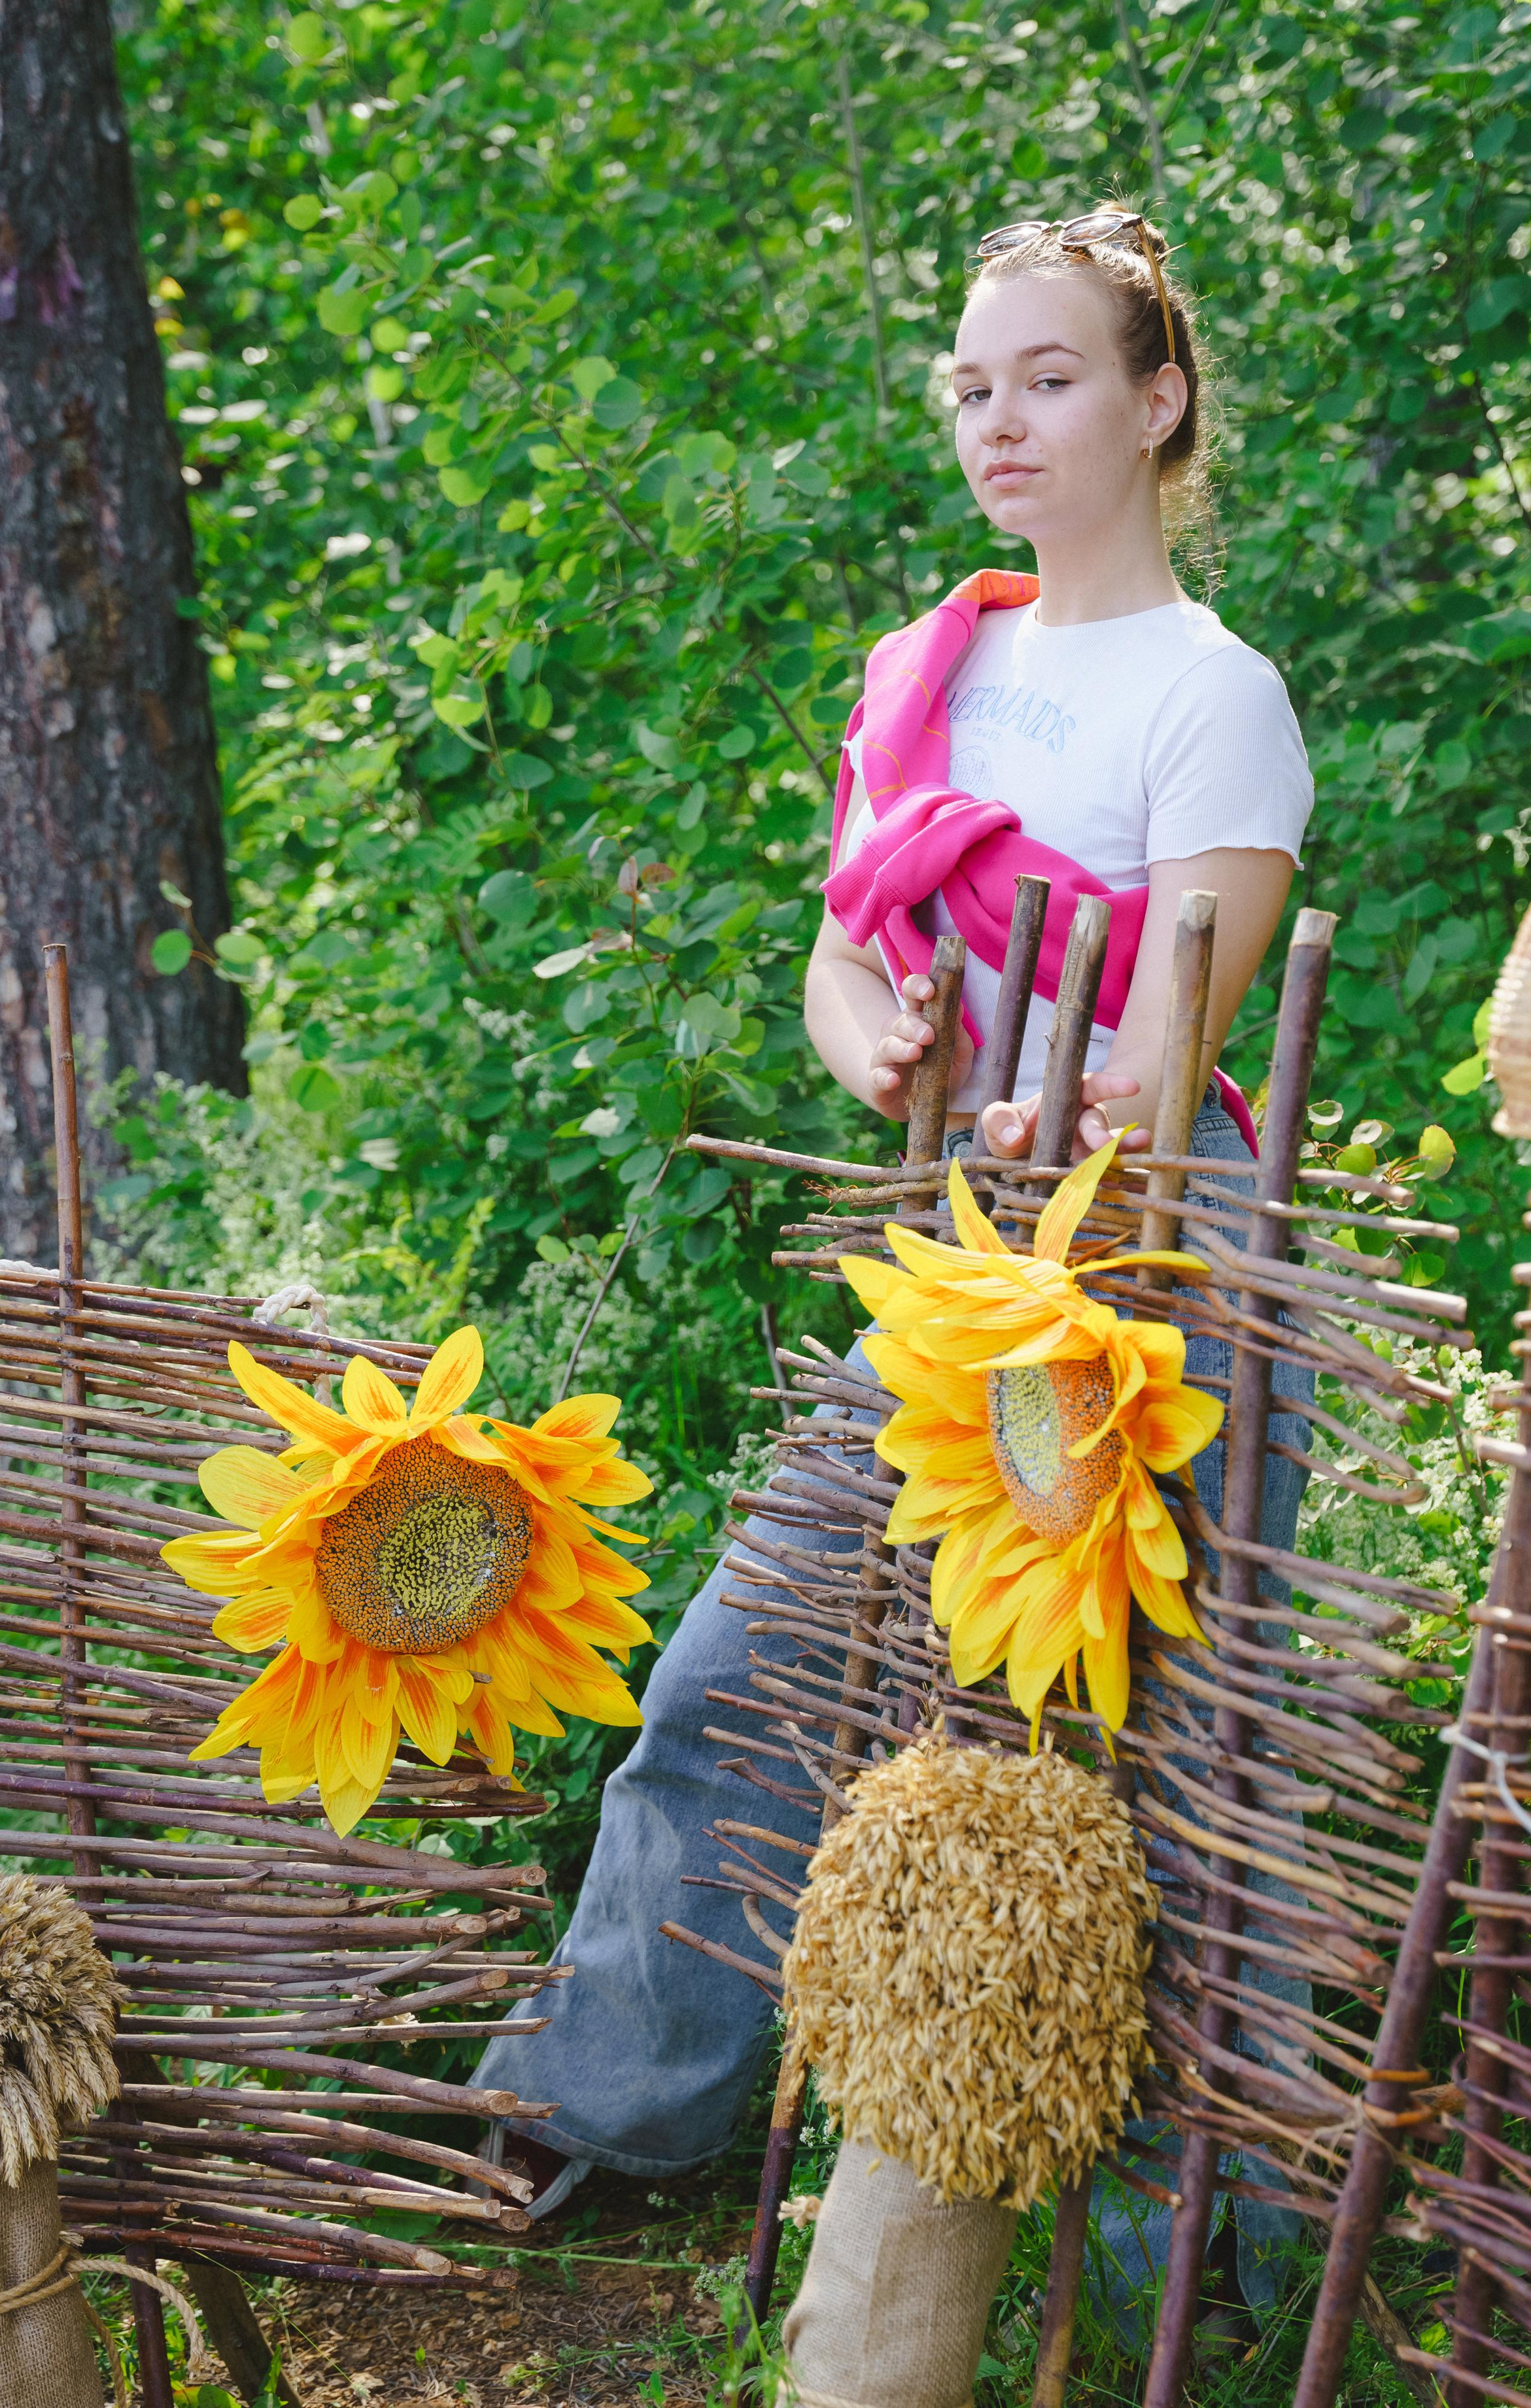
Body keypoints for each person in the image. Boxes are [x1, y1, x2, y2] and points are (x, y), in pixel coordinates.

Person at [472, 208, 1316, 2292]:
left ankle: (1188, 2243)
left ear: (1158, 399)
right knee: (743, 1680)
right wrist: (892, 1050)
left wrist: (1074, 1104)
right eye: (972, 382)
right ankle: (600, 2111)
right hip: (954, 1288)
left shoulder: (1218, 697)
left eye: (1049, 376)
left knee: (1191, 1763)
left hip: (1159, 1303)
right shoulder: (934, 659)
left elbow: (1175, 1027)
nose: (1000, 419)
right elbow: (847, 966)